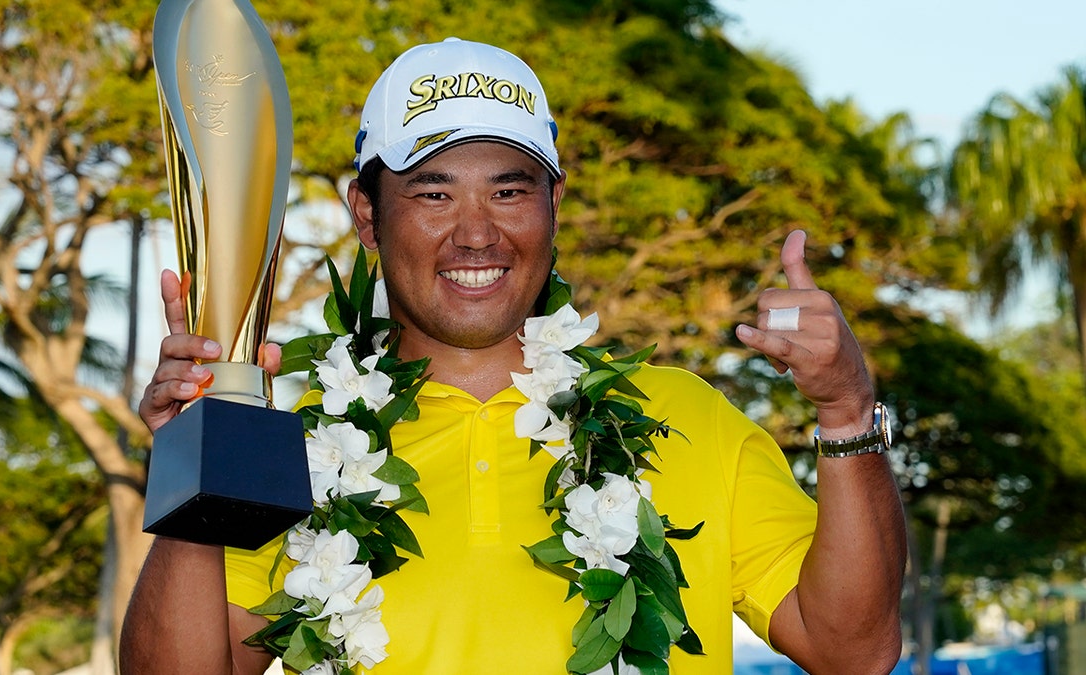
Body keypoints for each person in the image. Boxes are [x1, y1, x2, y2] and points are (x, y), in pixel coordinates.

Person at [120, 38, 906, 675]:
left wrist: (844, 410)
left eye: (508, 190)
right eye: (433, 193)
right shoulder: (291, 443)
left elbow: (854, 650)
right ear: (367, 214)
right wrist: (198, 445)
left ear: (554, 204)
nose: (475, 234)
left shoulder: (687, 415)